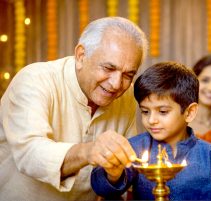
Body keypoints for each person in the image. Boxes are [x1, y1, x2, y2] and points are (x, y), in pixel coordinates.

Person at [0, 17, 148, 201]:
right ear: (80, 56)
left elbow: (119, 177)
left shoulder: (127, 96)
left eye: (128, 74)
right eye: (108, 68)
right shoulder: (34, 79)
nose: (116, 84)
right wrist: (89, 151)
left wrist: (114, 174)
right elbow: (30, 155)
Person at [91, 62, 211, 200]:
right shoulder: (135, 149)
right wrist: (113, 175)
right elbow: (102, 189)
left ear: (189, 112)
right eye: (145, 111)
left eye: (162, 111)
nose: (151, 120)